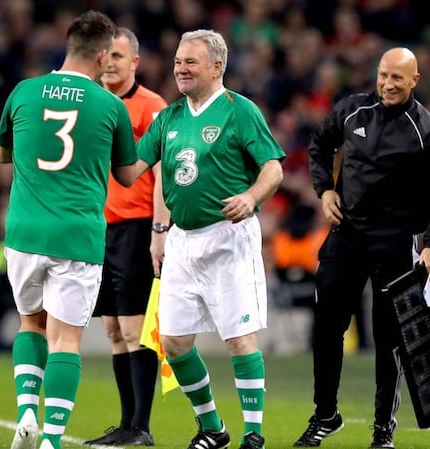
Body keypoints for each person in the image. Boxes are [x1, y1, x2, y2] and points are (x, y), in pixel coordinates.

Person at [293, 47, 430, 449]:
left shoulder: (428, 132)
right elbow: (319, 145)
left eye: (397, 78)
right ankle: (325, 416)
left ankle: (383, 430)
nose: (387, 83)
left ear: (414, 80)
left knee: (390, 339)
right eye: (383, 75)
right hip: (346, 236)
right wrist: (325, 190)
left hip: (395, 243)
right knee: (327, 326)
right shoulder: (351, 110)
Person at [132, 29, 285, 449]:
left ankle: (254, 434)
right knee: (175, 342)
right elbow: (130, 169)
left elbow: (273, 167)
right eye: (178, 61)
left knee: (238, 338)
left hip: (228, 237)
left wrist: (252, 196)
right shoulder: (169, 118)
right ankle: (213, 429)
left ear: (218, 66)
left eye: (190, 62)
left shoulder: (239, 110)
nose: (180, 68)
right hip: (182, 240)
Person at [0, 10, 137, 449]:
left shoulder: (24, 92)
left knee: (29, 324)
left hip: (25, 232)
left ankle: (25, 414)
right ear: (100, 56)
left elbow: (3, 154)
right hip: (77, 235)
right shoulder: (110, 105)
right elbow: (129, 176)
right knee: (66, 339)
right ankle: (53, 439)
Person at [83, 27, 168, 447]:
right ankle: (125, 423)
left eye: (118, 55)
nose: (110, 62)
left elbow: (163, 174)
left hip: (136, 229)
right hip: (97, 230)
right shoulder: (94, 104)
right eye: (106, 55)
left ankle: (141, 426)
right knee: (114, 331)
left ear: (134, 61)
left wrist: (159, 229)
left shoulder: (152, 107)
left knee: (135, 329)